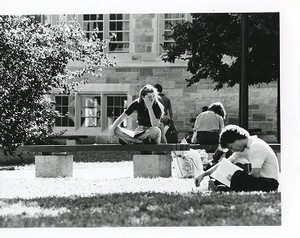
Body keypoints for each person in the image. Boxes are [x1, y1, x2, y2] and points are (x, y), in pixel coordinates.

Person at [194, 125, 279, 192]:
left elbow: (255, 175)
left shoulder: (256, 146)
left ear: (236, 140)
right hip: (261, 181)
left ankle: (230, 187)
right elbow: (224, 164)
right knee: (225, 174)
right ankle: (228, 187)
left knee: (237, 175)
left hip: (269, 183)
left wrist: (234, 179)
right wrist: (203, 174)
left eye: (231, 147)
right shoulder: (245, 148)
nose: (233, 150)